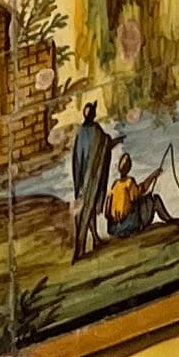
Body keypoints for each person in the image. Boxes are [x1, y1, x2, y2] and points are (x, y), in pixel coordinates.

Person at [68, 99, 112, 260]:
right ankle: (81, 248)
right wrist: (110, 142)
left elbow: (77, 160)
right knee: (87, 209)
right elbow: (103, 145)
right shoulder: (96, 131)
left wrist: (78, 181)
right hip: (92, 179)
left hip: (82, 180)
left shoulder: (81, 133)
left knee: (87, 209)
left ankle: (94, 239)